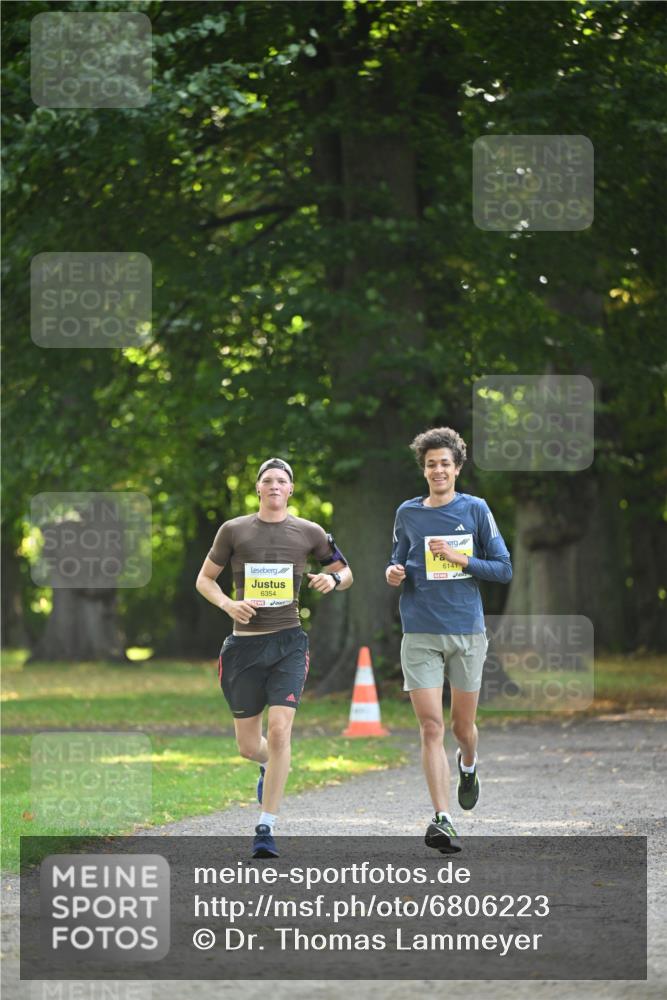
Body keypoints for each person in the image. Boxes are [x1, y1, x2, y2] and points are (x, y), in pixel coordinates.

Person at [196, 457, 352, 858]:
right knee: (250, 746)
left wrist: (331, 579)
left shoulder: (309, 531)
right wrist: (229, 605)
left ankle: (266, 828)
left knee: (281, 732)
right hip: (244, 647)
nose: (275, 486)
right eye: (268, 480)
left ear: (291, 489)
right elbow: (204, 580)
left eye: (282, 480)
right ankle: (270, 764)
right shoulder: (234, 530)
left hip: (288, 644)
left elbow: (345, 571)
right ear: (258, 488)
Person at [386, 427, 512, 853]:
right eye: (430, 464)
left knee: (462, 728)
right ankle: (442, 818)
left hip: (466, 631)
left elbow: (503, 568)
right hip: (419, 629)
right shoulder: (408, 513)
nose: (437, 470)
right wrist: (394, 572)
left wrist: (462, 559)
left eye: (444, 463)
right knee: (430, 726)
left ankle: (470, 764)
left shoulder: (475, 509)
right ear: (423, 470)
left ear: (457, 468)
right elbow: (397, 559)